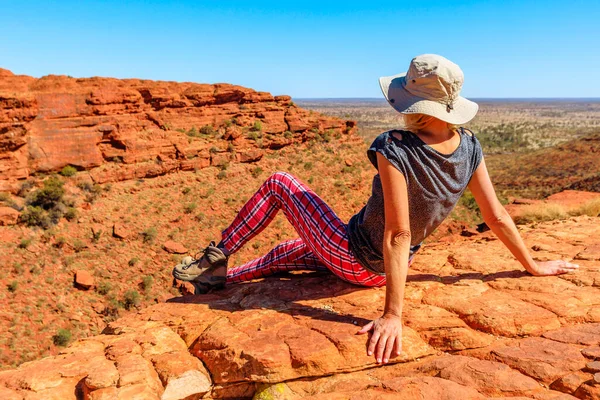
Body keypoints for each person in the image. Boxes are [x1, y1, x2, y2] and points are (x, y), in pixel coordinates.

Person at [172, 54, 579, 365]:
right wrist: (532, 265)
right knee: (288, 252)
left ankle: (216, 256)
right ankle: (220, 282)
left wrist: (392, 316)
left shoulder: (394, 146)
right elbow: (497, 216)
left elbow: (397, 234)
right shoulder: (470, 146)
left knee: (280, 182)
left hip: (356, 255)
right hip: (376, 267)